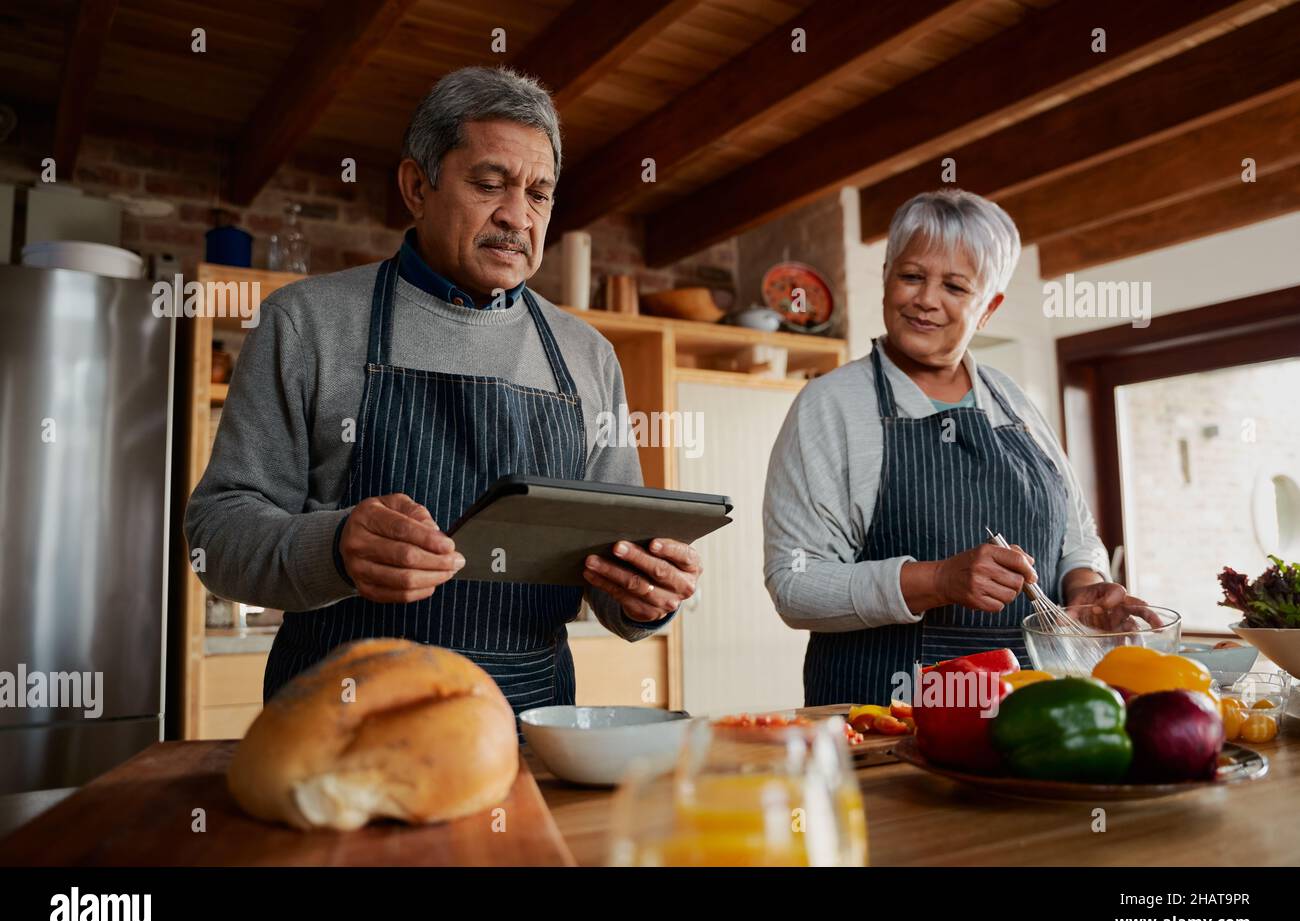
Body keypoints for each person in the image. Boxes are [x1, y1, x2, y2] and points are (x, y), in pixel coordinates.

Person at [185, 66, 701, 714]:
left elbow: (610, 569)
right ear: (416, 186)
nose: (517, 215)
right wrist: (336, 547)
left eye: (539, 193)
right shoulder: (307, 322)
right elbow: (218, 532)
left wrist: (643, 596)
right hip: (341, 727)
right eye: (490, 183)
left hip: (524, 733)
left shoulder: (586, 357)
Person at [762, 188, 1145, 706]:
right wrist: (939, 579)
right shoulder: (831, 406)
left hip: (1029, 714)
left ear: (988, 307)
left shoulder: (1016, 404)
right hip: (883, 720)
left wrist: (1084, 584)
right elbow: (795, 586)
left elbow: (1077, 536)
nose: (926, 300)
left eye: (956, 287)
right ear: (886, 277)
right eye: (912, 276)